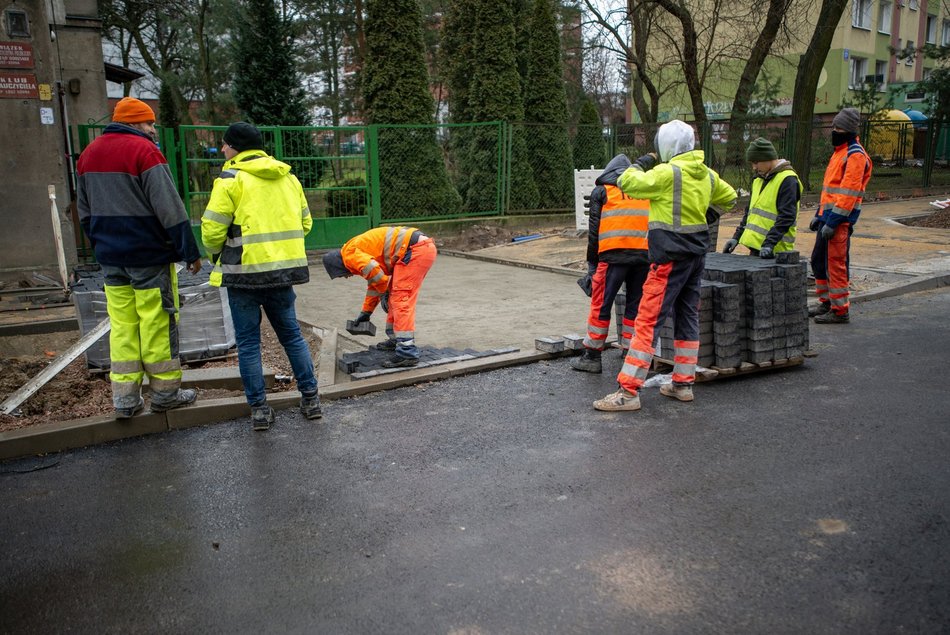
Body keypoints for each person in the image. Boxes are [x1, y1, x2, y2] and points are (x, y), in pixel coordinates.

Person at [594, 119, 737, 412]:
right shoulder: (707, 175)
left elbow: (626, 181)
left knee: (647, 321)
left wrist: (641, 162)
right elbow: (731, 197)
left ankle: (628, 392)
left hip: (669, 258)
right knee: (687, 315)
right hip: (696, 258)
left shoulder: (665, 173)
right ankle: (682, 384)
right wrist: (710, 215)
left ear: (665, 146)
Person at [76, 97, 201, 419]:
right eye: (149, 123)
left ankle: (126, 400)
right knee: (156, 322)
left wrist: (100, 245)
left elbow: (85, 212)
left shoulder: (89, 154)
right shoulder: (144, 151)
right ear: (133, 123)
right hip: (147, 255)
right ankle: (165, 395)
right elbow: (169, 207)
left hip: (110, 256)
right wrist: (189, 251)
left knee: (123, 326)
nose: (153, 129)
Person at [201, 122, 321, 430]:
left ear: (236, 147)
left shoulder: (230, 179)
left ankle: (260, 410)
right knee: (292, 336)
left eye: (225, 145)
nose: (223, 150)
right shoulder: (289, 178)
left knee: (248, 343)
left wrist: (216, 253)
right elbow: (305, 224)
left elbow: (212, 230)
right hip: (283, 273)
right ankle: (311, 399)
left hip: (244, 276)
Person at [571, 154, 651, 374]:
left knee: (601, 304)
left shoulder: (602, 191)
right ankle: (629, 352)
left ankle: (592, 356)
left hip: (612, 255)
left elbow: (594, 231)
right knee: (635, 305)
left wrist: (592, 264)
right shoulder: (643, 190)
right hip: (643, 256)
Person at [322, 226, 437, 368]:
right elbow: (374, 283)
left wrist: (384, 293)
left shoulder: (350, 257)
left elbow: (380, 279)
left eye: (341, 275)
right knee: (394, 297)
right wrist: (366, 313)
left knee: (400, 299)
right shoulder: (353, 251)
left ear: (339, 266)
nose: (346, 277)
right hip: (414, 249)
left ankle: (407, 352)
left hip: (415, 250)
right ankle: (396, 340)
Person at [808, 107, 872, 324]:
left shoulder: (855, 155)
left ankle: (840, 310)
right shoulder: (840, 153)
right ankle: (826, 302)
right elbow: (830, 191)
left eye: (839, 128)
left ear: (849, 130)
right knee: (818, 261)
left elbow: (849, 193)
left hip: (839, 221)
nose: (834, 131)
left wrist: (833, 221)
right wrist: (819, 215)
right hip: (828, 219)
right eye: (834, 126)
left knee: (835, 263)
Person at [723, 137, 801, 258]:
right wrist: (736, 237)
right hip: (758, 249)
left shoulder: (787, 180)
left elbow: (786, 216)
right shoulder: (758, 179)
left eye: (756, 162)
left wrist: (769, 243)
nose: (754, 167)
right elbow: (749, 213)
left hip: (776, 251)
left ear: (767, 158)